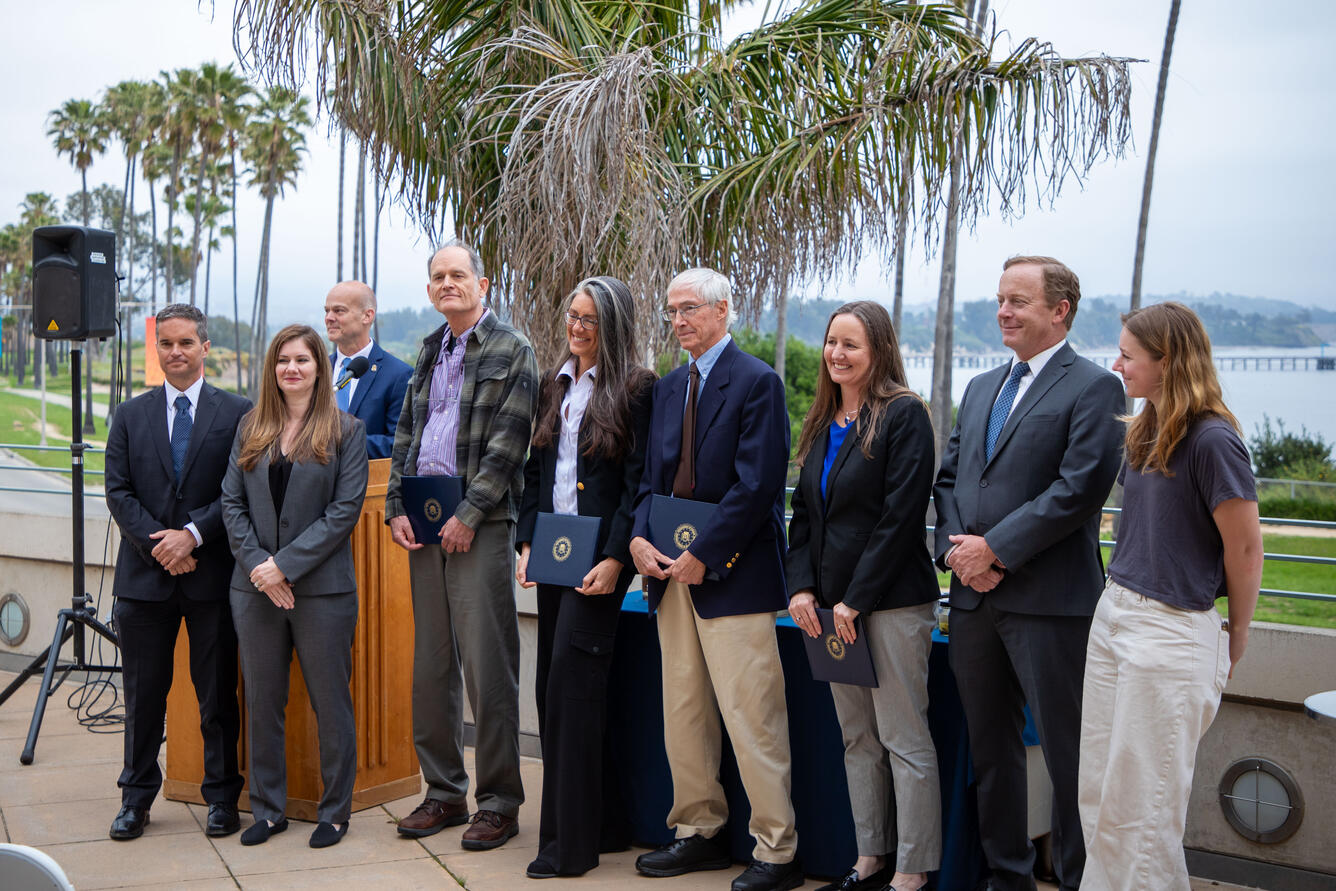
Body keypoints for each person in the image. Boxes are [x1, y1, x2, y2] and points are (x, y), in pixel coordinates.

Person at [932, 256, 1124, 891]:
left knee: (1070, 760)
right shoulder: (981, 386)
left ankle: (1076, 881)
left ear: (1058, 310)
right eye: (1000, 299)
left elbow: (1077, 492)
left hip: (1051, 606)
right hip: (972, 602)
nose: (1004, 312)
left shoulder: (1096, 387)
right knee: (991, 755)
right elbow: (949, 481)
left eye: (1018, 301)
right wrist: (957, 552)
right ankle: (1006, 879)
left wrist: (995, 550)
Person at [1078, 302, 1261, 890]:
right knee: (1099, 797)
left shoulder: (1213, 440)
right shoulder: (1147, 427)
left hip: (1172, 632)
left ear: (1168, 361)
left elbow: (1247, 550)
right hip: (1117, 614)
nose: (1118, 365)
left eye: (1129, 356)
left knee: (1143, 812)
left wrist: (1237, 635)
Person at [628, 268, 801, 891]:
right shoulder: (670, 388)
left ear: (725, 310)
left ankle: (777, 852)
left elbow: (757, 488)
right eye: (672, 310)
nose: (679, 321)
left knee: (752, 718)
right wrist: (638, 537)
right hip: (669, 578)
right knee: (685, 713)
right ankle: (698, 831)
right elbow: (650, 480)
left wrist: (706, 553)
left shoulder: (758, 383)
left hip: (733, 576)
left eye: (691, 309)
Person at [385, 240, 539, 850]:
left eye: (458, 275)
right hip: (424, 523)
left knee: (488, 668)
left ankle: (498, 803)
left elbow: (511, 441)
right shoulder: (427, 350)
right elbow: (406, 436)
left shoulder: (512, 348)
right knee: (432, 669)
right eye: (438, 277)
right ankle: (443, 794)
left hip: (482, 524)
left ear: (484, 283)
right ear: (430, 290)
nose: (448, 284)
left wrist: (470, 513)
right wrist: (398, 507)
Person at [786, 301, 940, 891]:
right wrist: (801, 588)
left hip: (890, 603)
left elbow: (901, 519)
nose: (836, 354)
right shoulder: (823, 421)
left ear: (878, 349)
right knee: (858, 739)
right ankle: (870, 858)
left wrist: (854, 600)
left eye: (851, 343)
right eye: (831, 342)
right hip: (827, 609)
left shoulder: (905, 416)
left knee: (904, 739)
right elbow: (803, 516)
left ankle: (912, 869)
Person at [514, 275, 656, 879]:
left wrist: (618, 558)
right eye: (572, 316)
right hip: (551, 555)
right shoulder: (555, 382)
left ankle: (567, 849)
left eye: (589, 320)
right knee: (554, 690)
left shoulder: (637, 388)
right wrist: (525, 543)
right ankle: (606, 826)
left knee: (572, 692)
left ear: (614, 326)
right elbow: (535, 471)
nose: (576, 328)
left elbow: (638, 484)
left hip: (600, 562)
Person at [103, 304, 250, 842]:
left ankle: (221, 798)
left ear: (205, 347)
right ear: (156, 348)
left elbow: (238, 490)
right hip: (143, 583)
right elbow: (118, 492)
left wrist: (191, 536)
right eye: (166, 344)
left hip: (211, 576)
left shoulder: (238, 412)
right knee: (143, 698)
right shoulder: (129, 414)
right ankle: (136, 798)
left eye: (186, 342)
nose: (175, 352)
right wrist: (160, 546)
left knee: (215, 695)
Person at [220, 324, 368, 848]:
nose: (292, 369)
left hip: (322, 592)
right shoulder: (249, 428)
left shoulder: (347, 431)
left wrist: (284, 566)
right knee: (262, 700)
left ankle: (334, 812)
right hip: (254, 589)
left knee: (331, 703)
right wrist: (261, 566)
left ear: (319, 368)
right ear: (272, 369)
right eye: (283, 360)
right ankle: (268, 809)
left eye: (302, 360)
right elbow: (231, 504)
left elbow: (345, 511)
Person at [324, 279, 413, 459]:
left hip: (369, 483)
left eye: (339, 311)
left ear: (367, 316)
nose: (329, 318)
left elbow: (401, 444)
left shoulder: (398, 375)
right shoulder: (318, 370)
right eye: (326, 311)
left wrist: (340, 442)